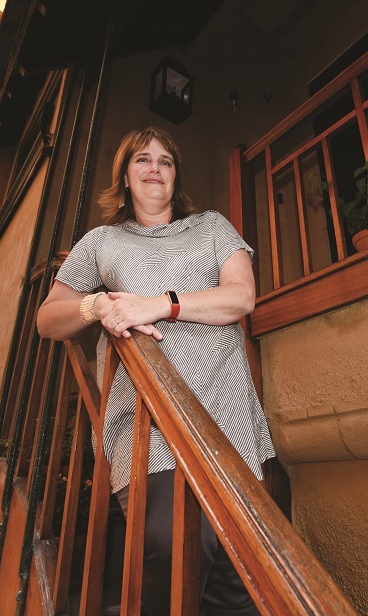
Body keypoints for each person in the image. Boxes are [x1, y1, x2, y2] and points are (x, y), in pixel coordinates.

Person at [36, 126, 276, 615]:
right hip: (147, 418)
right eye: (142, 160)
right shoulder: (101, 241)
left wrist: (158, 305)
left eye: (165, 162)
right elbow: (47, 319)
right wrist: (95, 305)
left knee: (241, 562)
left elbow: (240, 296)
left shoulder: (211, 227)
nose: (154, 169)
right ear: (124, 175)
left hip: (222, 411)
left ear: (175, 177)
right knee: (170, 542)